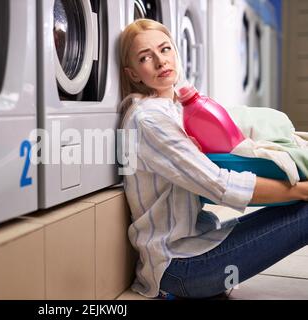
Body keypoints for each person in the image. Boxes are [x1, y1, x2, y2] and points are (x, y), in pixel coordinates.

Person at [119, 18, 308, 299]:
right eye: (146, 57)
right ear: (133, 74)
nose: (161, 62)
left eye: (165, 49)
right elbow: (219, 186)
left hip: (201, 244)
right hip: (182, 269)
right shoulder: (150, 120)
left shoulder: (172, 108)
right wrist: (301, 190)